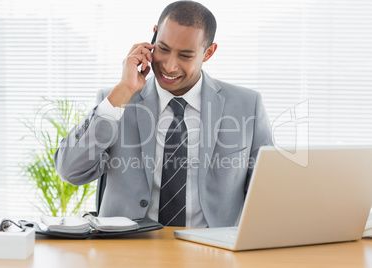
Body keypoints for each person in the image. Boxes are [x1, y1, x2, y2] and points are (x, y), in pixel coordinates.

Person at [54, 1, 273, 227]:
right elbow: (70, 171)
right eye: (164, 49)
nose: (169, 66)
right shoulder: (117, 101)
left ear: (208, 52)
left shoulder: (247, 105)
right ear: (153, 37)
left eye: (185, 56)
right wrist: (123, 93)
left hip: (211, 251)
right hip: (128, 252)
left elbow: (268, 193)